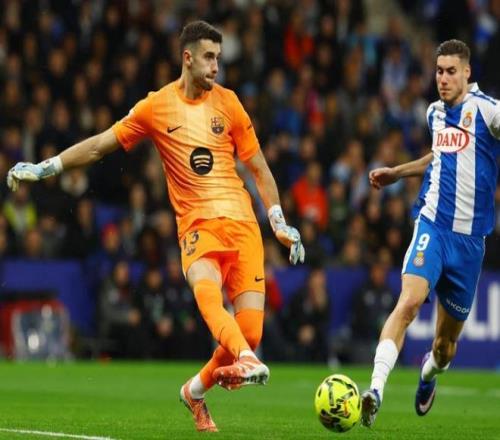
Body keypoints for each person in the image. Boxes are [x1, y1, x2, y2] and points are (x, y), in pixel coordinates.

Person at [6, 21, 305, 432]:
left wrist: (279, 221)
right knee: (209, 295)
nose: (216, 66)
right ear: (188, 58)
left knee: (249, 332)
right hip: (197, 227)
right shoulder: (156, 107)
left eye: (218, 58)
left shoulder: (230, 103)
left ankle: (195, 390)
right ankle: (247, 360)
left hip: (243, 226)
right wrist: (47, 167)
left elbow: (259, 168)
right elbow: (100, 145)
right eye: (209, 57)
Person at [360, 39, 500, 427]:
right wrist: (397, 172)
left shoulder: (488, 111)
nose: (443, 78)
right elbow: (439, 156)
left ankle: (428, 374)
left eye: (451, 71)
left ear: (467, 72)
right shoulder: (434, 113)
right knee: (407, 303)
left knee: (445, 346)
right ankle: (375, 390)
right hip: (433, 227)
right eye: (439, 71)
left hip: (470, 242)